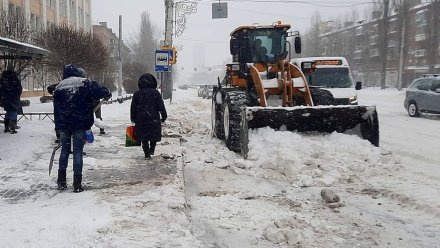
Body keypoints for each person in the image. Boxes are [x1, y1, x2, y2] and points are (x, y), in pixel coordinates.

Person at [53, 64, 111, 192]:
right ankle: (77, 184)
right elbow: (99, 92)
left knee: (64, 151)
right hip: (79, 123)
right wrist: (107, 92)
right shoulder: (84, 83)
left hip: (63, 125)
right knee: (77, 152)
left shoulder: (59, 86)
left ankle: (61, 181)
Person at [130, 73, 167, 160]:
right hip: (153, 118)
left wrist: (133, 118)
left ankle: (147, 154)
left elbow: (133, 107)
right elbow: (161, 106)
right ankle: (152, 149)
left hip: (140, 119)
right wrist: (164, 116)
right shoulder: (156, 93)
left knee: (144, 137)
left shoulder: (137, 94)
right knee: (153, 134)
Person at [0, 65, 23, 134]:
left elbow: (0, 89)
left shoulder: (3, 78)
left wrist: (1, 97)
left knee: (8, 112)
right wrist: (17, 94)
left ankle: (6, 127)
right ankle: (13, 128)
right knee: (13, 111)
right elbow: (19, 88)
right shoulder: (14, 78)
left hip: (5, 98)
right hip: (13, 97)